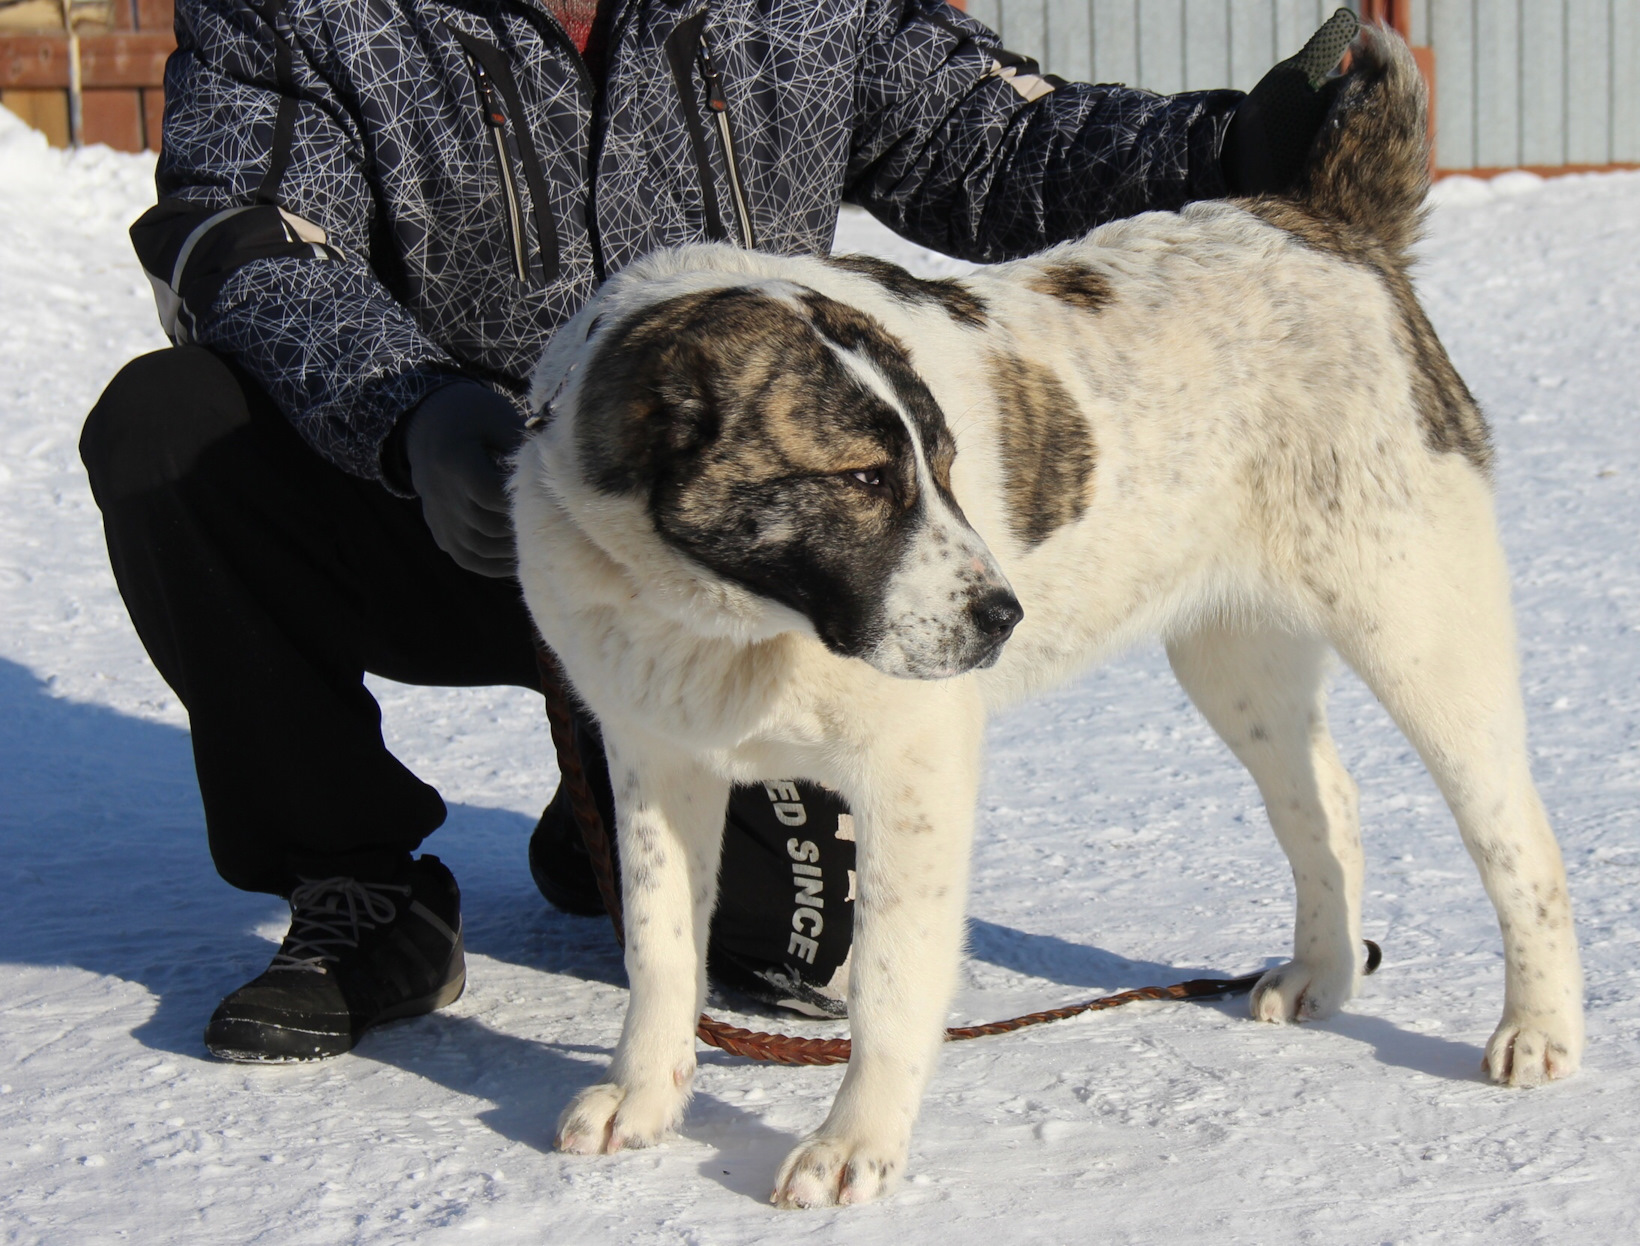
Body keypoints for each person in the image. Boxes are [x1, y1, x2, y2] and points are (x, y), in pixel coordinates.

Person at [79, 0, 1359, 1063]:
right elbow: (227, 224)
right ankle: (357, 885)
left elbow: (988, 145)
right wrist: (402, 407)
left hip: (739, 575)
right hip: (447, 500)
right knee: (169, 431)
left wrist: (1231, 144)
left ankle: (599, 828)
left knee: (791, 943)